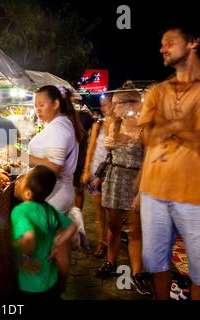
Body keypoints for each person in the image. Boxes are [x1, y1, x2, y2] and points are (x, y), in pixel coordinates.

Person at [138, 23, 200, 300]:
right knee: (156, 263)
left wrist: (169, 127)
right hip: (153, 193)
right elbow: (146, 137)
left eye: (170, 41)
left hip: (194, 194)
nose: (162, 48)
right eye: (162, 43)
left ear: (193, 42)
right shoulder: (156, 92)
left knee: (199, 269)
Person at [10, 85, 86, 290]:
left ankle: (55, 285)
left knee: (56, 244)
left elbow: (54, 165)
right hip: (57, 189)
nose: (38, 109)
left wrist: (19, 156)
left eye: (42, 105)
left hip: (56, 191)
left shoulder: (60, 127)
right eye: (36, 106)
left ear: (56, 103)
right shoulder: (58, 124)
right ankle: (54, 283)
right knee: (54, 241)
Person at [94, 83, 152, 296]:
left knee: (135, 231)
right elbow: (108, 156)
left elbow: (148, 162)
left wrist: (140, 192)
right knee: (113, 227)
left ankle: (137, 273)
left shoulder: (145, 128)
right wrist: (108, 147)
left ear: (132, 104)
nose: (113, 107)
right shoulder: (114, 125)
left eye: (117, 103)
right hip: (114, 179)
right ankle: (111, 262)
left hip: (135, 180)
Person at [11, 165, 77, 301]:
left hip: (29, 283)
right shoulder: (49, 209)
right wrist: (58, 242)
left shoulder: (20, 211)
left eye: (22, 180)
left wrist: (27, 257)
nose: (19, 181)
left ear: (28, 193)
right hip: (49, 279)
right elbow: (73, 226)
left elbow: (29, 236)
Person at [81, 94, 114, 257]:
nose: (105, 108)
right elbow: (91, 149)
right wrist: (87, 170)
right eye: (103, 105)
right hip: (95, 172)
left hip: (112, 174)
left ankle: (110, 242)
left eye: (107, 104)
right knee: (99, 211)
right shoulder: (98, 125)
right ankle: (102, 242)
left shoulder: (120, 125)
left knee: (111, 212)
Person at [73, 106, 95, 210]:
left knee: (78, 191)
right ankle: (77, 214)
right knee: (78, 191)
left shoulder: (82, 116)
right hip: (78, 160)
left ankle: (77, 214)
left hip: (79, 161)